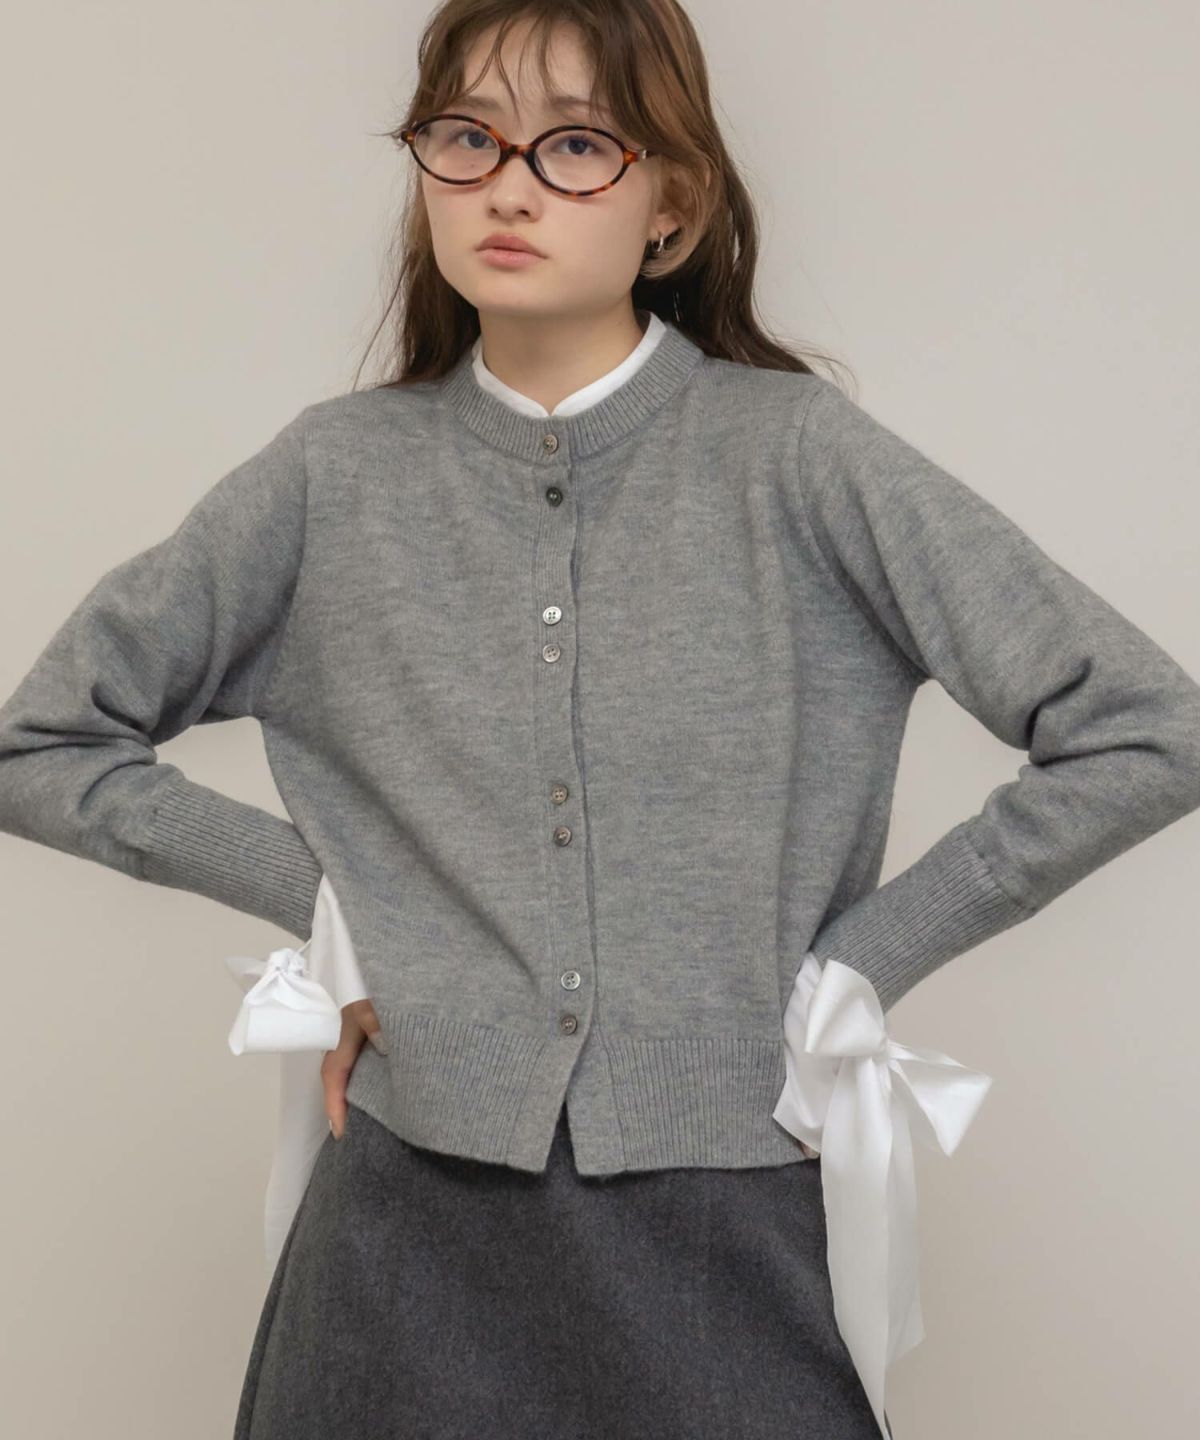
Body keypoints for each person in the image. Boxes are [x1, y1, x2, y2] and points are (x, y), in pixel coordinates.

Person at [2, 3, 1198, 1437]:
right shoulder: (334, 478)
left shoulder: (795, 459)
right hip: (399, 1241)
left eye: (574, 145)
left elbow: (1146, 727)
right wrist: (327, 907)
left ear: (669, 204)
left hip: (723, 1233)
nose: (507, 186)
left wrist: (861, 967)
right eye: (466, 137)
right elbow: (42, 742)